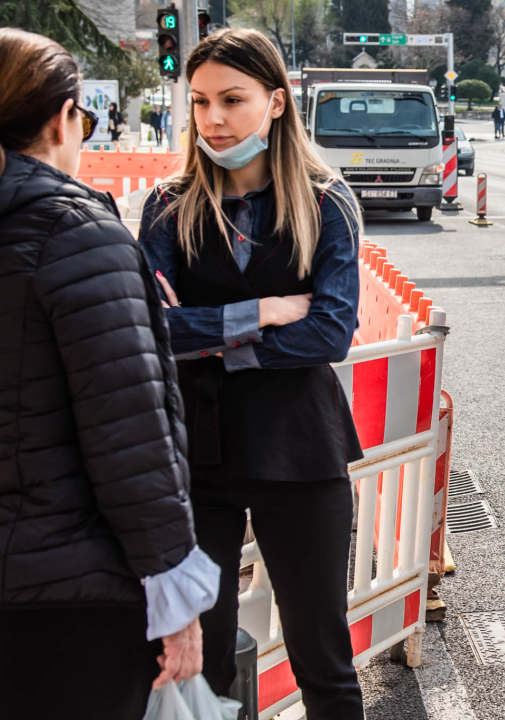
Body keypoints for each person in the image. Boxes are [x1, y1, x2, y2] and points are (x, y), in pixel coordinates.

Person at [0, 28, 220, 720]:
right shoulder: (76, 233)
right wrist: (175, 599)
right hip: (77, 592)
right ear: (64, 117)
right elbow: (130, 436)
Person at [138, 28, 365, 719]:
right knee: (195, 662)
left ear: (275, 101)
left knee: (321, 657)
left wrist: (208, 336)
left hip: (299, 449)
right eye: (200, 101)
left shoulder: (325, 200)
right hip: (195, 459)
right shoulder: (167, 205)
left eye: (232, 99)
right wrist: (261, 311)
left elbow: (330, 331)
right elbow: (151, 333)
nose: (212, 118)